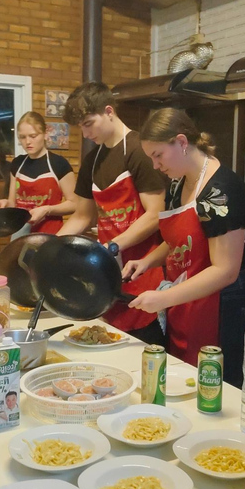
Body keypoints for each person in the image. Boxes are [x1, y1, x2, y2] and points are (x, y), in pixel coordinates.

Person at [122, 108, 245, 371]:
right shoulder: (178, 183)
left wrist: (165, 298)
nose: (155, 165)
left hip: (224, 306)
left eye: (158, 155)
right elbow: (178, 240)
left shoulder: (221, 191)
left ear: (182, 142)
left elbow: (225, 271)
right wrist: (145, 262)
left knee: (216, 386)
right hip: (188, 299)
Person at [58, 82, 167, 345]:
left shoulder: (140, 151)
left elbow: (155, 214)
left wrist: (113, 246)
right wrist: (49, 246)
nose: (85, 134)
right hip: (108, 270)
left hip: (143, 269)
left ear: (109, 111)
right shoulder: (93, 160)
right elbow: (83, 216)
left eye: (88, 123)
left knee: (145, 346)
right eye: (80, 127)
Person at [0, 112, 77, 234]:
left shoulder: (58, 164)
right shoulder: (17, 164)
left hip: (50, 235)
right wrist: (4, 204)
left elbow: (74, 204)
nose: (27, 142)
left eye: (33, 136)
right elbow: (13, 203)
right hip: (20, 233)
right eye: (22, 137)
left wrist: (47, 210)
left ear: (45, 134)